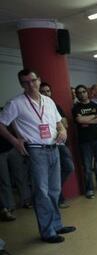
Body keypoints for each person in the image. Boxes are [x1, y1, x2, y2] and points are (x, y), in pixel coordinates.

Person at [0, 69, 76, 243]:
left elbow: (58, 123)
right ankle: (48, 232)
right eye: (25, 82)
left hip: (53, 147)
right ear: (21, 84)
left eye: (33, 80)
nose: (30, 85)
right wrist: (15, 141)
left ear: (39, 80)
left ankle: (57, 225)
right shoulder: (16, 103)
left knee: (54, 190)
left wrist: (63, 130)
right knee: (41, 192)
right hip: (35, 150)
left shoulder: (48, 101)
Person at [40, 82, 75, 208]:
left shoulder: (54, 106)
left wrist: (57, 127)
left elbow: (64, 124)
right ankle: (58, 198)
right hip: (45, 146)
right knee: (51, 174)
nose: (47, 94)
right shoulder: (38, 108)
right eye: (43, 91)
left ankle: (55, 193)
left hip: (60, 143)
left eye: (48, 91)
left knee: (69, 167)